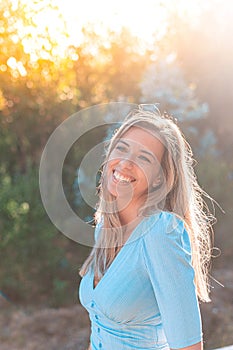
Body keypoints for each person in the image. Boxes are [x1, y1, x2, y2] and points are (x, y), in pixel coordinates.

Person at [78, 105, 215, 350]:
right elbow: (98, 331)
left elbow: (189, 347)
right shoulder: (106, 227)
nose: (126, 162)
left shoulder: (162, 232)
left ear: (160, 177)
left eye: (143, 157)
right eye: (122, 148)